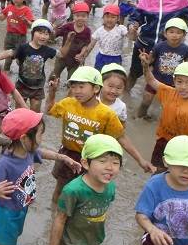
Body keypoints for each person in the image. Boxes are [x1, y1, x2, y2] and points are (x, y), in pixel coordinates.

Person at [0, 108, 81, 245]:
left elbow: (41, 152)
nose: (42, 140)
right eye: (40, 135)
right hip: (6, 214)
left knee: (8, 241)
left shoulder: (28, 151)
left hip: (20, 209)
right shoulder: (5, 163)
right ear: (24, 138)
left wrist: (62, 158)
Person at [45, 66, 153, 202]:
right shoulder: (68, 103)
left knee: (87, 192)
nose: (76, 91)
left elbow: (121, 137)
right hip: (67, 154)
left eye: (81, 86)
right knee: (61, 188)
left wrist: (140, 160)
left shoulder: (107, 114)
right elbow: (49, 111)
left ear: (96, 88)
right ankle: (55, 216)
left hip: (93, 158)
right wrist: (52, 93)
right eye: (73, 86)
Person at [138, 56, 188, 172]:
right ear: (174, 81)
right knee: (159, 171)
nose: (183, 87)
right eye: (179, 82)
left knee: (182, 175)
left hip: (187, 147)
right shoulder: (168, 93)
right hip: (164, 142)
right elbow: (151, 80)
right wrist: (145, 67)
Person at [0, 19, 58, 112]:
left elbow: (61, 54)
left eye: (46, 34)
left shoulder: (47, 50)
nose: (43, 36)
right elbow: (9, 53)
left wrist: (69, 41)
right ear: (33, 32)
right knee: (19, 111)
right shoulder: (23, 48)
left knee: (35, 112)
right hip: (22, 84)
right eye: (40, 33)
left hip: (38, 86)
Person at [136, 17, 188, 119]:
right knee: (146, 100)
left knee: (170, 105)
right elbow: (151, 60)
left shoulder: (185, 49)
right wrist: (145, 59)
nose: (175, 35)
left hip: (173, 83)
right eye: (171, 32)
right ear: (165, 34)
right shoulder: (159, 46)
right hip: (155, 79)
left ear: (184, 35)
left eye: (179, 33)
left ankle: (166, 121)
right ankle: (139, 118)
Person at [53, 2, 92, 81]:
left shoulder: (87, 31)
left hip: (75, 60)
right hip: (62, 57)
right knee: (55, 75)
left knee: (72, 80)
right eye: (77, 16)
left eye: (83, 16)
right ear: (73, 16)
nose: (80, 18)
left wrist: (81, 54)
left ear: (87, 16)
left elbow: (86, 45)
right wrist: (54, 27)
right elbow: (55, 34)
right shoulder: (68, 26)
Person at [84, 5, 127, 71]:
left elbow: (131, 37)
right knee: (99, 76)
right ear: (103, 17)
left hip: (116, 58)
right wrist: (84, 56)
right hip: (101, 58)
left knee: (114, 77)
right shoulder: (99, 30)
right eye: (107, 17)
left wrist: (133, 31)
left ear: (118, 18)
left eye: (113, 17)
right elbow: (91, 45)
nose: (109, 19)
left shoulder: (121, 29)